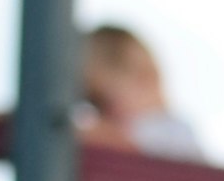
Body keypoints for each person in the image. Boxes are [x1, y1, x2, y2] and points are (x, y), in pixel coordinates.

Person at [79, 25, 204, 159]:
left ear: (144, 79)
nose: (101, 116)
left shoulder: (173, 130)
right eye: (94, 105)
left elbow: (126, 143)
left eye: (104, 102)